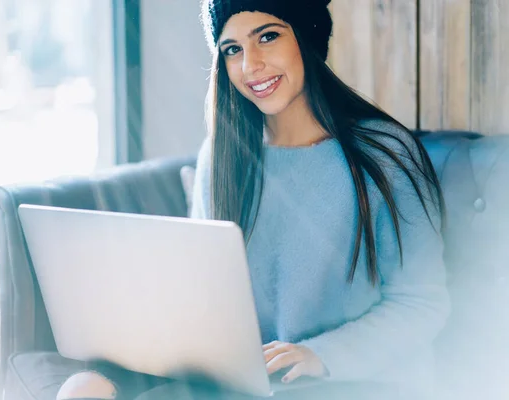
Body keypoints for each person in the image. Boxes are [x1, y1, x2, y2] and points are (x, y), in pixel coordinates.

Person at [57, 0, 450, 399]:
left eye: (268, 36)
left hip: (354, 381)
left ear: (307, 39)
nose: (250, 65)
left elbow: (421, 304)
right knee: (82, 389)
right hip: (250, 383)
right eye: (232, 50)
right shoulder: (221, 157)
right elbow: (204, 296)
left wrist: (320, 354)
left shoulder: (384, 154)